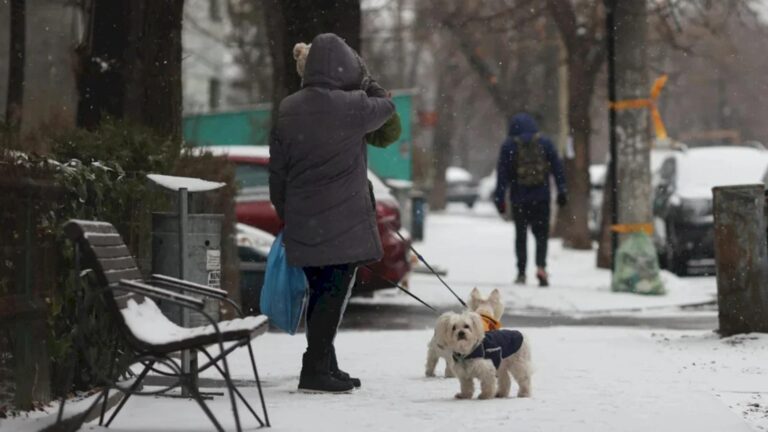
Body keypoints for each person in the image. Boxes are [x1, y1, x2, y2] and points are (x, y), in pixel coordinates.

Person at [269, 33, 396, 394]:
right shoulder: (354, 105)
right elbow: (387, 106)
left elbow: (277, 170)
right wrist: (366, 81)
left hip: (304, 220)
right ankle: (314, 370)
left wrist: (285, 211)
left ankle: (327, 365)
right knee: (332, 296)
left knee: (321, 293)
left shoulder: (288, 108)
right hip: (343, 222)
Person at [493, 113, 567, 287]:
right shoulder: (545, 143)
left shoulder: (509, 145)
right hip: (541, 197)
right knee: (541, 235)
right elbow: (558, 168)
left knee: (521, 235)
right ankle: (541, 267)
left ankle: (521, 271)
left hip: (519, 198)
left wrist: (500, 198)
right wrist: (562, 190)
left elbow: (502, 174)